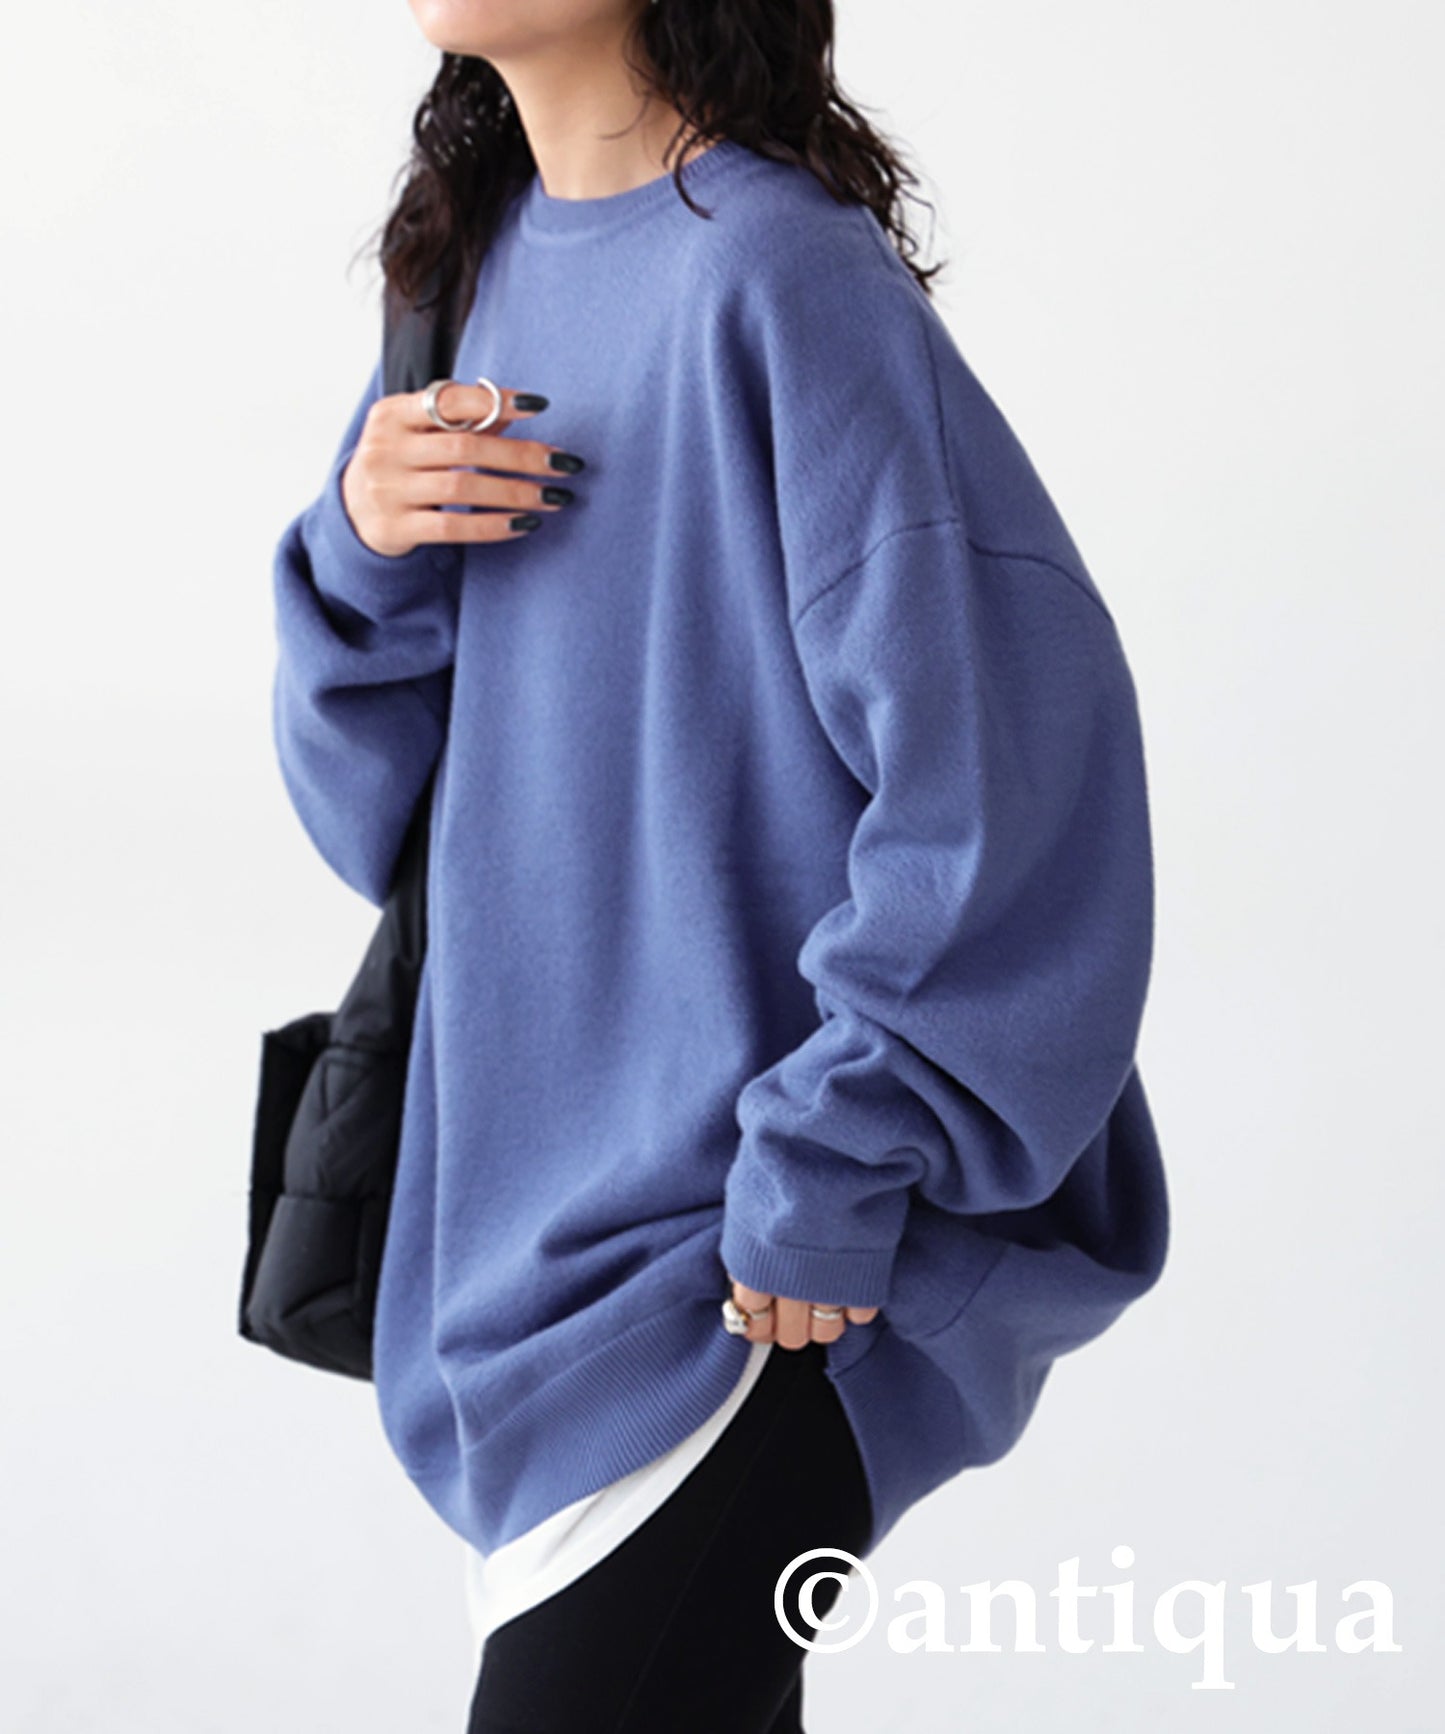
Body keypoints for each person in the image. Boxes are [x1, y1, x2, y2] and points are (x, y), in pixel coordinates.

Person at [267, 2, 1170, 1728]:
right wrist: (356, 556)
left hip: (738, 1280)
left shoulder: (779, 277)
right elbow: (391, 828)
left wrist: (830, 1163)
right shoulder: (466, 276)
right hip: (517, 1272)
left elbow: (1010, 782)